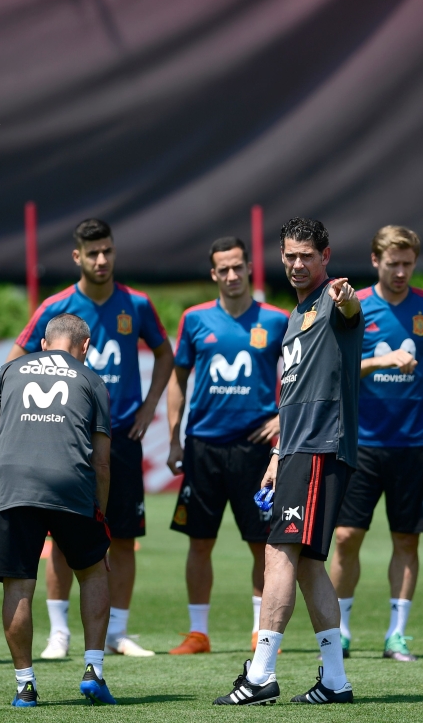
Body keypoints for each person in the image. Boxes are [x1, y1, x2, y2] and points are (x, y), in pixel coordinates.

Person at [7, 218, 173, 658]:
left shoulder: (137, 304)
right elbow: (16, 359)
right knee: (63, 539)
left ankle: (117, 632)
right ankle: (59, 633)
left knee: (124, 537)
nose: (102, 260)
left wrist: (150, 406)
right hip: (67, 442)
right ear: (77, 256)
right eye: (93, 253)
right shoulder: (56, 306)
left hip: (121, 436)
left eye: (107, 251)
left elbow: (164, 353)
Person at [214, 217, 362, 705]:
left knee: (278, 553)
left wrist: (347, 299)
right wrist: (278, 453)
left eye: (307, 256)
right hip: (297, 450)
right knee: (308, 565)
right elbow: (293, 395)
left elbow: (351, 309)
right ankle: (335, 681)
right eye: (290, 256)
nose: (298, 264)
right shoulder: (295, 314)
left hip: (320, 446)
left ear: (325, 256)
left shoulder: (332, 300)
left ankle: (261, 675)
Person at [330, 226, 423, 662]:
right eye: (392, 264)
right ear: (375, 261)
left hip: (415, 444)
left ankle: (396, 635)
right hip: (360, 443)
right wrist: (382, 360)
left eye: (407, 264)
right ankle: (340, 631)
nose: (401, 272)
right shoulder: (355, 305)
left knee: (407, 540)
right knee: (345, 536)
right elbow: (337, 369)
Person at [0, 313, 116, 706]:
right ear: (85, 346)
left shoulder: (8, 370)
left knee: (18, 584)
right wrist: (99, 516)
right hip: (72, 485)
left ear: (43, 343)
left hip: (14, 487)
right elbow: (102, 462)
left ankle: (25, 685)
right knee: (93, 572)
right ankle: (93, 670)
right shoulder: (92, 380)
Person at [166, 237, 289, 654]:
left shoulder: (276, 320)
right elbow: (178, 379)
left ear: (249, 267)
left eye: (238, 266)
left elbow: (300, 375)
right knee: (199, 541)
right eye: (224, 269)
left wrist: (282, 418)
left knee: (262, 543)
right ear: (213, 273)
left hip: (256, 451)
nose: (232, 275)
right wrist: (173, 438)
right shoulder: (194, 319)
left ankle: (260, 631)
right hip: (203, 447)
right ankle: (198, 633)